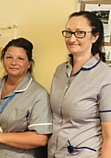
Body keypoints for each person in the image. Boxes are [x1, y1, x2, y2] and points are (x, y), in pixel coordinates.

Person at [48, 11, 111, 158]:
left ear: (95, 37)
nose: (72, 38)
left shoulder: (105, 76)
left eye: (80, 33)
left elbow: (109, 137)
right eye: (68, 32)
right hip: (55, 153)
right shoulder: (60, 71)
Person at [0, 38, 53, 158]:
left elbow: (41, 138)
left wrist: (1, 137)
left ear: (29, 63)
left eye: (20, 58)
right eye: (9, 57)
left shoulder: (38, 95)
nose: (13, 63)